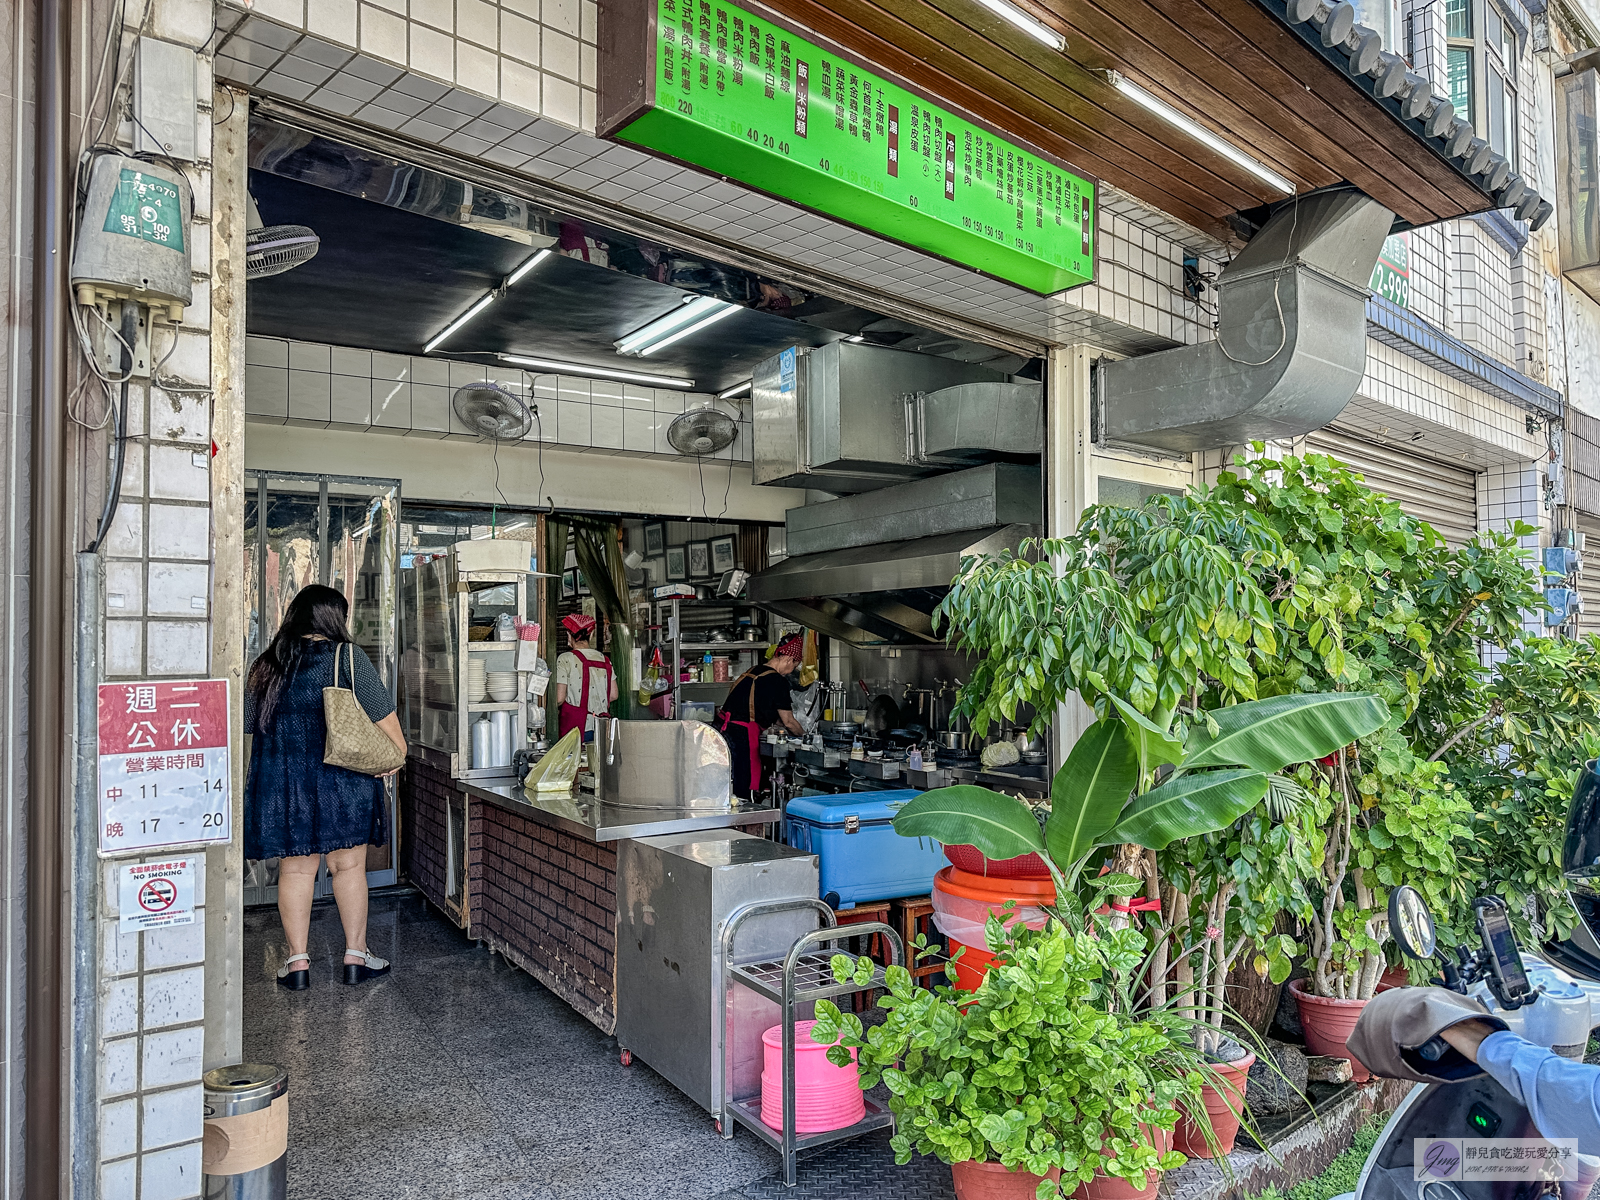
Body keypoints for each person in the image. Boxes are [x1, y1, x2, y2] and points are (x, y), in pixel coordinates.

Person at [244, 584, 406, 990]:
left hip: (283, 785)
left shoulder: (265, 665)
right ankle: (356, 955)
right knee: (348, 868)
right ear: (336, 618)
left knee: (295, 871)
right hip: (342, 781)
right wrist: (394, 755)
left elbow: (248, 725)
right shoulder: (347, 658)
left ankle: (297, 963)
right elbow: (386, 724)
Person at [716, 632, 806, 800]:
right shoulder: (778, 681)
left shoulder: (752, 671)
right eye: (794, 666)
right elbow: (789, 721)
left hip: (722, 733)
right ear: (788, 659)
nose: (791, 671)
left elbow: (764, 710)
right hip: (742, 739)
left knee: (726, 788)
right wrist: (806, 737)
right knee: (745, 789)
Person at [554, 612, 617, 742]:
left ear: (568, 635)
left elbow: (559, 698)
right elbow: (613, 695)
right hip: (602, 727)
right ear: (591, 635)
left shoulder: (565, 659)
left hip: (576, 728)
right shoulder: (605, 660)